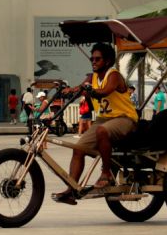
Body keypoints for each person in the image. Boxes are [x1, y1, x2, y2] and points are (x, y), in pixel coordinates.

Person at [54, 43, 138, 205]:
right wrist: (68, 90)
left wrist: (90, 90)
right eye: (92, 58)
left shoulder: (113, 75)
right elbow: (80, 88)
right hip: (103, 120)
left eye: (97, 59)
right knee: (78, 149)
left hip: (124, 118)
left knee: (101, 131)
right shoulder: (92, 77)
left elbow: (105, 91)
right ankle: (72, 189)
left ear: (107, 61)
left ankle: (105, 174)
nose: (93, 61)